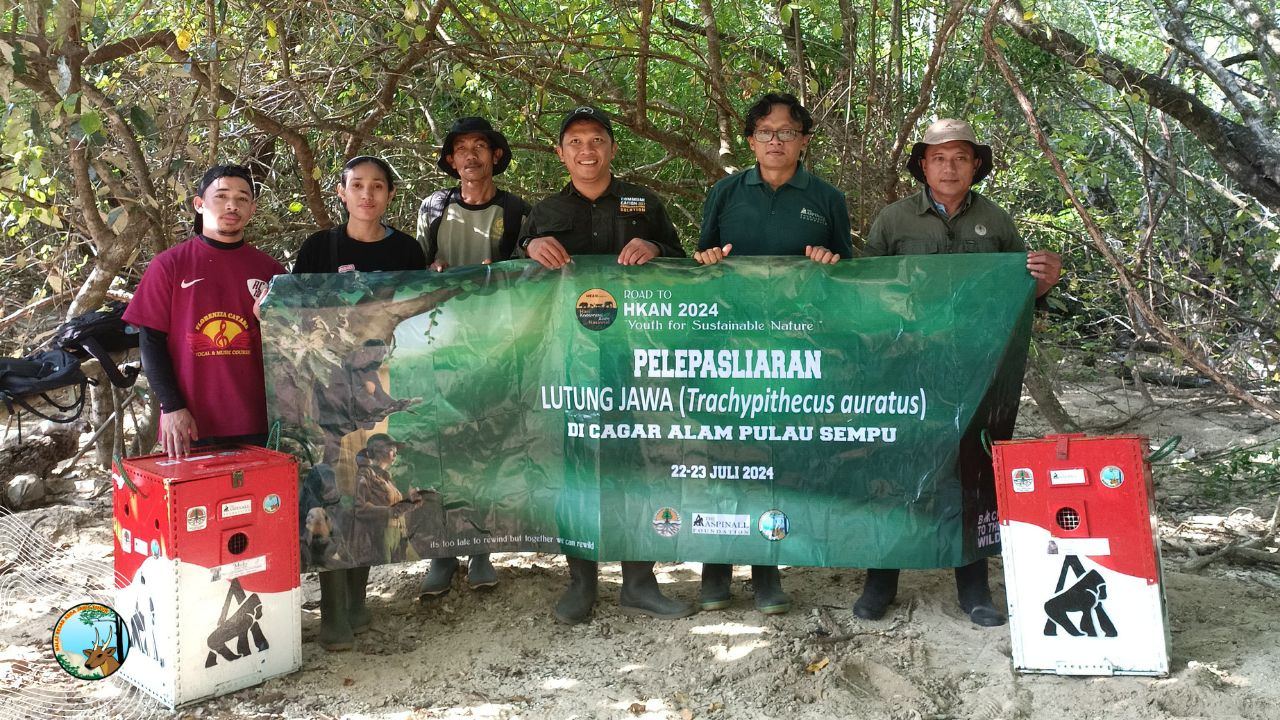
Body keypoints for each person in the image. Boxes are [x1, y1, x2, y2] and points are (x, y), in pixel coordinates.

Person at [858, 118, 1063, 627]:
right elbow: (865, 293)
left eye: (960, 158)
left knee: (971, 469)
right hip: (904, 368)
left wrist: (1043, 282)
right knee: (895, 465)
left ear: (975, 166)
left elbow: (1018, 295)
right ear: (923, 165)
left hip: (975, 369)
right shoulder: (893, 220)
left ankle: (973, 588)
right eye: (939, 158)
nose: (949, 167)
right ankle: (881, 579)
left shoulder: (996, 221)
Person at [520, 105, 691, 625]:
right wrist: (529, 245)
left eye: (597, 139)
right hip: (567, 361)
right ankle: (582, 581)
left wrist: (655, 246)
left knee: (634, 461)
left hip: (633, 360)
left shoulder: (642, 201)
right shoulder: (545, 210)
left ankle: (639, 580)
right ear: (561, 153)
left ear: (612, 148)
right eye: (575, 141)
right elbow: (509, 278)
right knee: (576, 465)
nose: (587, 149)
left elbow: (683, 262)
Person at [693, 92, 853, 616]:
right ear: (750, 141)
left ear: (803, 141)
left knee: (774, 458)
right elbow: (701, 265)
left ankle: (767, 569)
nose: (776, 141)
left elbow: (848, 276)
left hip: (794, 351)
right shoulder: (725, 192)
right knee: (722, 453)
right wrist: (708, 260)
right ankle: (716, 567)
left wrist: (829, 263)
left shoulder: (827, 198)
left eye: (786, 132)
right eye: (765, 132)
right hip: (728, 347)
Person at [293, 155, 427, 651]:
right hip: (326, 389)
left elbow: (416, 315)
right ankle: (333, 609)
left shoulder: (406, 249)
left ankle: (358, 599)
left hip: (375, 387)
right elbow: (295, 313)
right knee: (331, 490)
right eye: (357, 185)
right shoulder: (320, 247)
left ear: (390, 194)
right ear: (342, 193)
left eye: (377, 186)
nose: (367, 194)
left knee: (367, 484)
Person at [415, 116, 531, 598]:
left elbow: (529, 272)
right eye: (461, 148)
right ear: (450, 160)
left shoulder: (516, 209)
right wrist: (432, 269)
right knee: (439, 443)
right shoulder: (434, 207)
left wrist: (502, 272)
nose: (470, 155)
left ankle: (480, 547)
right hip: (441, 343)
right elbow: (414, 267)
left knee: (485, 443)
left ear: (496, 155)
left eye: (480, 146)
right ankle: (441, 553)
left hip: (495, 344)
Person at [125, 164, 285, 459]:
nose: (232, 205)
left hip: (260, 421)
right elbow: (150, 342)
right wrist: (171, 406)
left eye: (242, 198)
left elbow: (289, 348)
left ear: (252, 209)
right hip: (191, 424)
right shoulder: (169, 265)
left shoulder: (271, 270)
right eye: (221, 196)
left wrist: (272, 322)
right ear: (199, 204)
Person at [350, 433, 422, 565]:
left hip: (400, 535)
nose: (395, 454)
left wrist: (412, 501)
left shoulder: (387, 479)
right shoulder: (366, 473)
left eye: (396, 451)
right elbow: (360, 509)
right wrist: (390, 511)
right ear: (377, 450)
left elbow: (396, 508)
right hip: (380, 537)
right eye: (392, 450)